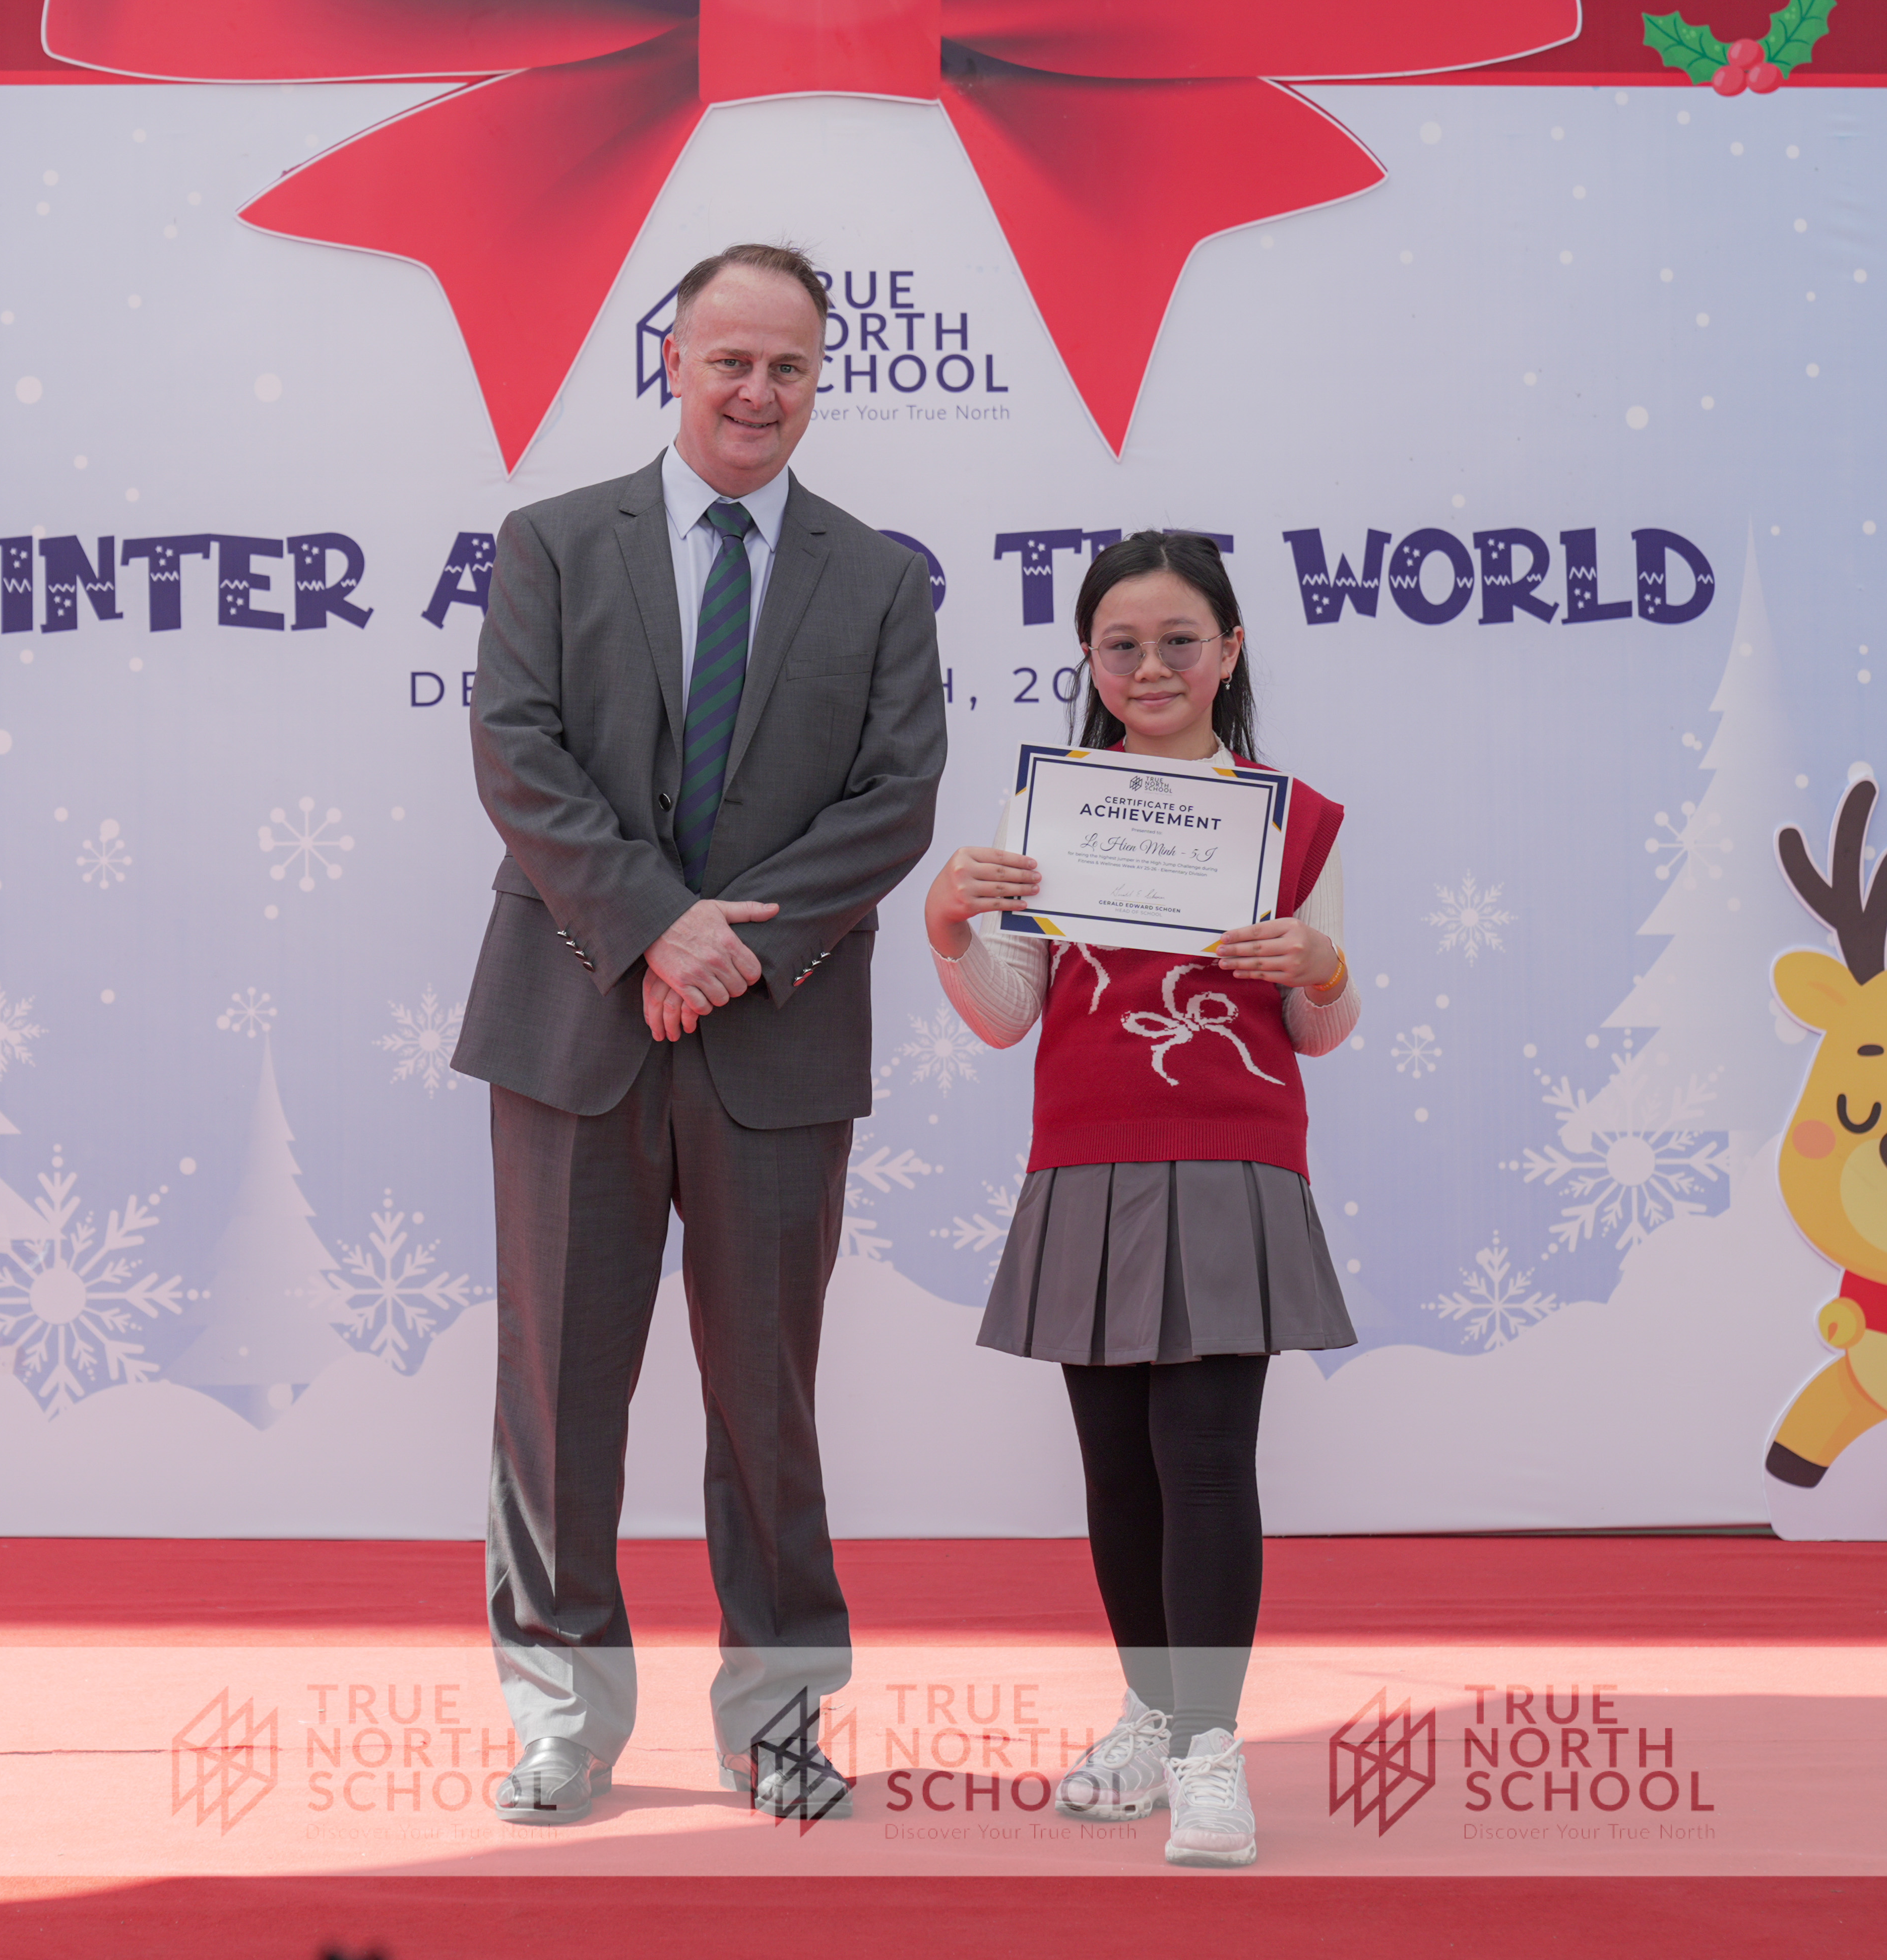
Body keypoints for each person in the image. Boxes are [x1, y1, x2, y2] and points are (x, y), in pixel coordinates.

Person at [455, 242, 948, 1826]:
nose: (758, 392)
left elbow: (894, 802)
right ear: (672, 358)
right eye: (732, 359)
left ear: (821, 380)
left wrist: (730, 953)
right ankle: (563, 1716)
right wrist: (654, 925)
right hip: (573, 1026)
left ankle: (778, 1723)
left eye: (789, 367)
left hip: (776, 1045)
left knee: (769, 1406)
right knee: (556, 1398)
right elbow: (519, 754)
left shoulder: (881, 580)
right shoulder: (551, 543)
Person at [921, 531, 1358, 1869]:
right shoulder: (1049, 816)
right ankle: (1157, 1717)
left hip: (1231, 1159)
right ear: (1089, 661)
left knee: (1206, 1456)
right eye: (1123, 646)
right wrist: (946, 924)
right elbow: (1008, 1014)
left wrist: (1322, 964)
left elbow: (1321, 1027)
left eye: (1180, 641)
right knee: (1117, 1468)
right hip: (1087, 1164)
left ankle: (1212, 1752)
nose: (1151, 667)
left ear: (1230, 651)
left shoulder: (1294, 819)